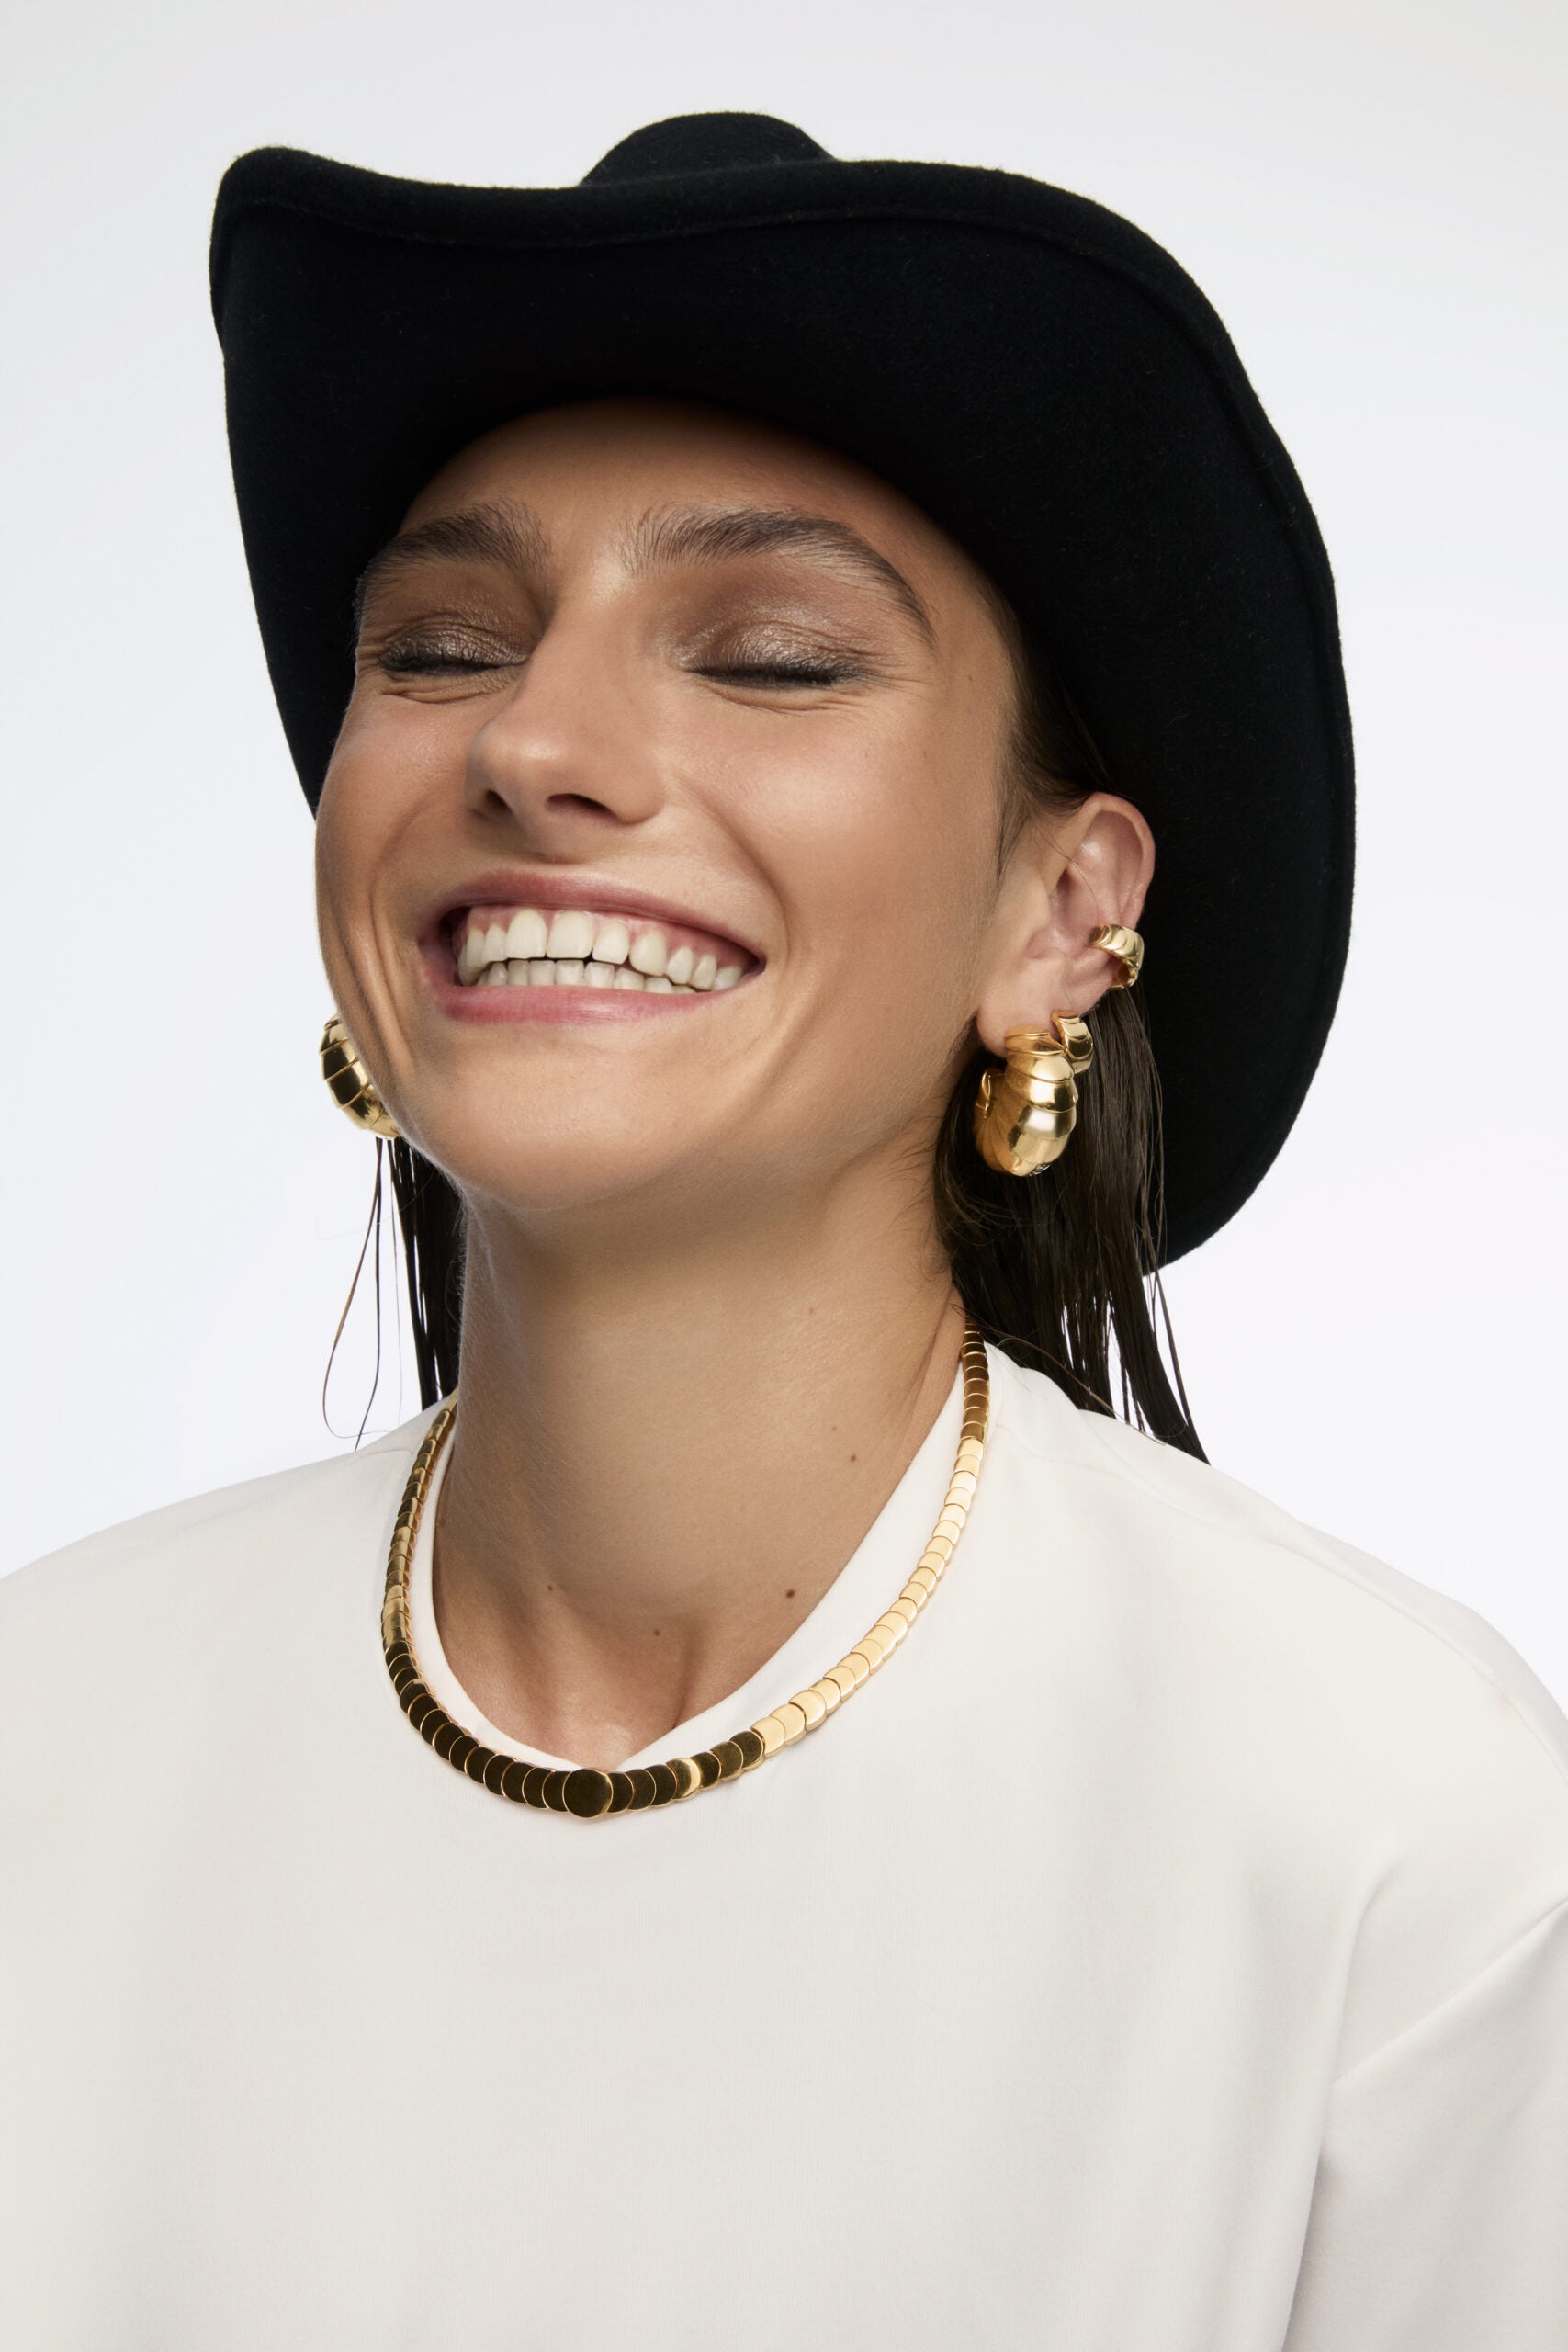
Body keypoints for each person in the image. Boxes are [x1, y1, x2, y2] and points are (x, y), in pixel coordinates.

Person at [3, 111, 1563, 2351]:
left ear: (1060, 913)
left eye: (769, 656)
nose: (537, 743)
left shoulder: (1387, 1839)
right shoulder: (40, 1747)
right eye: (438, 644)